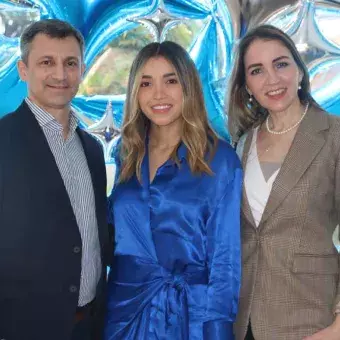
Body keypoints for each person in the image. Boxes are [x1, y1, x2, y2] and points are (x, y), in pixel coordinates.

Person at [104, 41, 242, 340]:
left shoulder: (220, 160)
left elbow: (225, 261)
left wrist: (217, 331)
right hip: (122, 313)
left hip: (190, 319)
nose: (158, 94)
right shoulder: (125, 153)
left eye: (170, 81)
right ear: (135, 92)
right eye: (146, 83)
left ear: (188, 86)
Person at [226, 24, 340, 340]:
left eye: (281, 64)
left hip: (312, 320)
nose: (272, 79)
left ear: (300, 72)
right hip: (245, 320)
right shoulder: (241, 144)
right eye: (257, 70)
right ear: (246, 85)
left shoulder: (334, 135)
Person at [0, 19, 111, 340]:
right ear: (23, 70)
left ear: (82, 69)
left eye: (70, 63)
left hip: (89, 324)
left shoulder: (90, 148)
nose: (60, 75)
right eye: (46, 62)